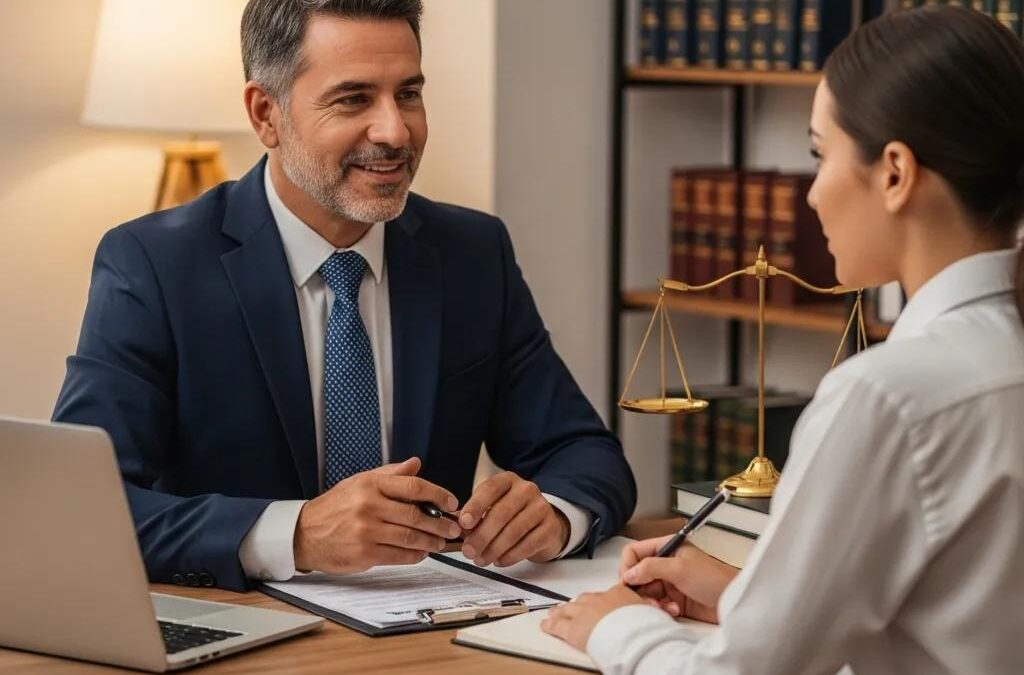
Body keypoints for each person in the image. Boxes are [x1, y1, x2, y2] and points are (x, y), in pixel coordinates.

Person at [53, 0, 635, 592]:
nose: (395, 131)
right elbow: (82, 507)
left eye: (408, 94)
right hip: (243, 623)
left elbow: (583, 453)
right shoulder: (152, 263)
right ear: (266, 114)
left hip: (436, 625)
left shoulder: (472, 253)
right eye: (354, 99)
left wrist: (555, 515)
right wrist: (296, 535)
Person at [542, 6, 1024, 674]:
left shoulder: (887, 396)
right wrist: (750, 597)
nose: (812, 194)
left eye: (819, 155)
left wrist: (615, 626)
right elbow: (950, 618)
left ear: (894, 172)